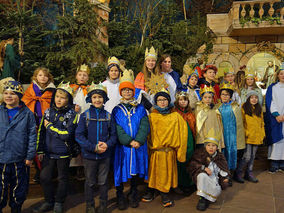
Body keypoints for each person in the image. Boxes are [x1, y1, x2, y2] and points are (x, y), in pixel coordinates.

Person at [35, 82, 78, 213]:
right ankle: (49, 201)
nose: (59, 100)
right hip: (48, 153)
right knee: (44, 177)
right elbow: (41, 132)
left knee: (62, 178)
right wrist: (40, 149)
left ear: (68, 100)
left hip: (63, 152)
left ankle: (59, 202)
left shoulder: (72, 115)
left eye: (63, 97)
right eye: (57, 96)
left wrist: (50, 127)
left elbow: (66, 135)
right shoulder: (47, 112)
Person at [75, 82, 117, 213]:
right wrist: (93, 147)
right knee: (90, 182)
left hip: (105, 155)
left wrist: (107, 144)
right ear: (90, 99)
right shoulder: (85, 116)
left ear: (104, 99)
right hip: (89, 156)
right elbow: (79, 135)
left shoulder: (109, 116)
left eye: (100, 97)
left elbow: (114, 136)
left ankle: (103, 204)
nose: (97, 100)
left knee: (103, 182)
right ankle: (90, 205)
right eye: (94, 97)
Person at [142, 88, 187, 207]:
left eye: (165, 100)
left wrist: (180, 152)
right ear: (156, 102)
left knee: (165, 174)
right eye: (159, 100)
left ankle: (164, 193)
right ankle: (151, 190)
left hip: (169, 152)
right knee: (152, 173)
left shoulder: (176, 116)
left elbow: (183, 134)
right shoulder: (152, 117)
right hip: (155, 151)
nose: (162, 102)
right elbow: (146, 135)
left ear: (169, 101)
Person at [112, 69, 150, 210]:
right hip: (124, 147)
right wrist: (128, 141)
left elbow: (145, 124)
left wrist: (139, 140)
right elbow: (117, 127)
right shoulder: (116, 110)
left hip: (138, 145)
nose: (127, 92)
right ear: (121, 92)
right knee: (121, 169)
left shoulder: (140, 108)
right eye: (124, 90)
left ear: (133, 92)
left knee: (135, 170)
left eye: (129, 90)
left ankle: (133, 193)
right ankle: (120, 194)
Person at [0, 80, 37, 213]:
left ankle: (16, 209)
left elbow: (32, 136)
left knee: (19, 189)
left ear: (20, 96)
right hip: (1, 159)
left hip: (19, 159)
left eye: (13, 94)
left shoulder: (27, 114)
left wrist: (30, 156)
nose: (9, 96)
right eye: (6, 93)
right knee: (0, 189)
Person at [22, 67, 55, 183]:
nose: (43, 77)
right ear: (36, 77)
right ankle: (37, 170)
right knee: (35, 146)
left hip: (47, 122)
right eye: (40, 75)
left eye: (45, 75)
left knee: (46, 146)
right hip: (34, 122)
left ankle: (47, 171)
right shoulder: (30, 90)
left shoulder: (52, 91)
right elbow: (25, 103)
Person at [188, 128, 230, 211]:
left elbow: (224, 171)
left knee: (215, 190)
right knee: (202, 175)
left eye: (213, 145)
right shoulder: (200, 154)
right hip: (204, 180)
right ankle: (202, 199)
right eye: (208, 145)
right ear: (205, 146)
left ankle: (207, 198)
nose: (211, 148)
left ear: (217, 147)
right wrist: (203, 168)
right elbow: (192, 164)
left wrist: (226, 178)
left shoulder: (220, 157)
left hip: (214, 182)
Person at [217, 83, 245, 185]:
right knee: (223, 154)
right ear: (220, 95)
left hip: (232, 136)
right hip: (222, 135)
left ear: (230, 96)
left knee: (231, 154)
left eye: (227, 95)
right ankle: (223, 175)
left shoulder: (235, 107)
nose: (225, 96)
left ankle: (230, 175)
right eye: (223, 94)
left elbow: (239, 124)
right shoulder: (217, 107)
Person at [234, 90, 265, 183]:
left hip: (257, 136)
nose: (254, 99)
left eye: (256, 97)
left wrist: (262, 134)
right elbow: (241, 122)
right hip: (248, 137)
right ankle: (238, 173)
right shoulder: (244, 108)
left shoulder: (259, 109)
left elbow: (262, 123)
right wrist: (245, 132)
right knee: (247, 156)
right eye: (252, 97)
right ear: (248, 98)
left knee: (253, 156)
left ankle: (249, 173)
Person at [70, 64, 91, 177]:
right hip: (75, 120)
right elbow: (65, 102)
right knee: (75, 142)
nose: (82, 77)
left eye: (85, 75)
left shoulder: (89, 89)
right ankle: (75, 166)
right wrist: (72, 107)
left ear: (88, 78)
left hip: (86, 121)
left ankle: (84, 166)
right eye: (80, 74)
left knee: (85, 142)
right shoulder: (72, 89)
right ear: (76, 76)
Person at [174, 91, 195, 191]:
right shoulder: (174, 113)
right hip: (179, 140)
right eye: (180, 100)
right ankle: (179, 183)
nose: (183, 102)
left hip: (189, 141)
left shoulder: (191, 114)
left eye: (185, 100)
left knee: (189, 159)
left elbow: (194, 127)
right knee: (179, 161)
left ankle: (188, 183)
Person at [266, 65, 284, 173]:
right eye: (281, 73)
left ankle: (282, 162)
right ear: (278, 75)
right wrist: (276, 114)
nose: (283, 76)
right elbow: (270, 101)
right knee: (277, 140)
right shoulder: (273, 87)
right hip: (276, 118)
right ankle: (274, 162)